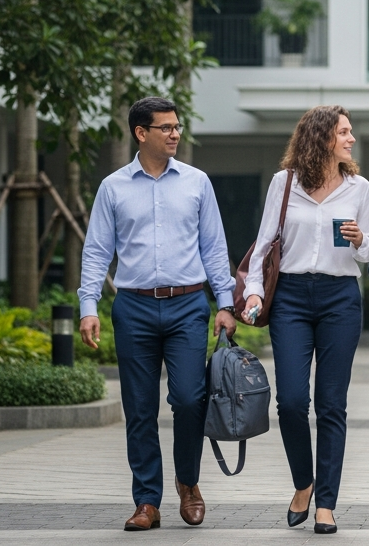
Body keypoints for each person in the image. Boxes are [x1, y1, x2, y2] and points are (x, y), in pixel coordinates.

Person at [78, 96, 237, 531]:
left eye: (177, 126)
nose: (175, 134)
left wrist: (225, 303)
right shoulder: (113, 187)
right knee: (140, 407)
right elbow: (96, 251)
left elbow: (214, 248)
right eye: (165, 127)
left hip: (188, 305)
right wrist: (88, 306)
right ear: (140, 133)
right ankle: (147, 500)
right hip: (133, 307)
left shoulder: (197, 182)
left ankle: (188, 483)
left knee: (189, 398)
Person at [241, 106, 369, 534]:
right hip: (291, 298)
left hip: (340, 298)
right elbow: (264, 244)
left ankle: (326, 504)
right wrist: (253, 292)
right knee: (291, 402)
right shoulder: (284, 184)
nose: (351, 139)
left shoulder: (358, 187)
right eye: (344, 132)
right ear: (321, 137)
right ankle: (304, 482)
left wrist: (360, 240)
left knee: (332, 405)